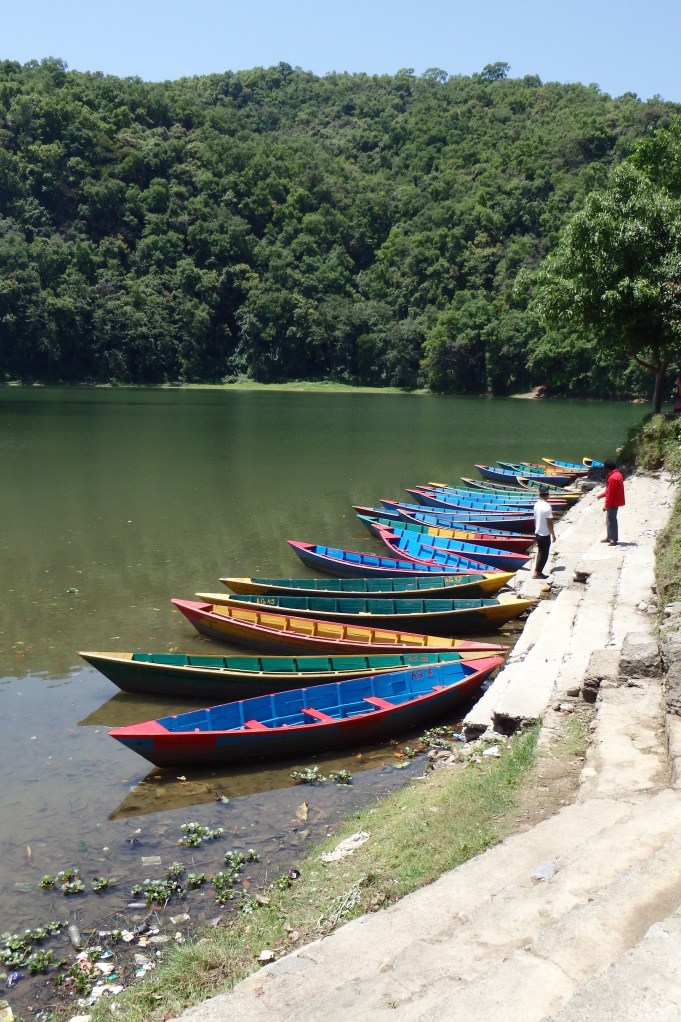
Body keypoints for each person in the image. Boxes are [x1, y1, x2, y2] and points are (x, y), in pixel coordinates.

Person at [597, 460, 625, 545]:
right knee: (609, 519)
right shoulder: (618, 475)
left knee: (612, 520)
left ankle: (613, 539)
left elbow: (610, 493)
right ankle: (609, 537)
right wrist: (601, 495)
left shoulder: (612, 478)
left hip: (613, 501)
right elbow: (610, 490)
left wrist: (606, 505)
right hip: (616, 500)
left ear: (607, 468)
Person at [532, 484, 555, 579]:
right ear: (548, 495)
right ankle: (537, 573)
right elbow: (549, 523)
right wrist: (553, 534)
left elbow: (535, 519)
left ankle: (536, 571)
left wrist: (536, 529)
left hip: (538, 532)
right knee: (544, 554)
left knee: (540, 552)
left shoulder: (536, 505)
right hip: (545, 534)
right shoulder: (547, 507)